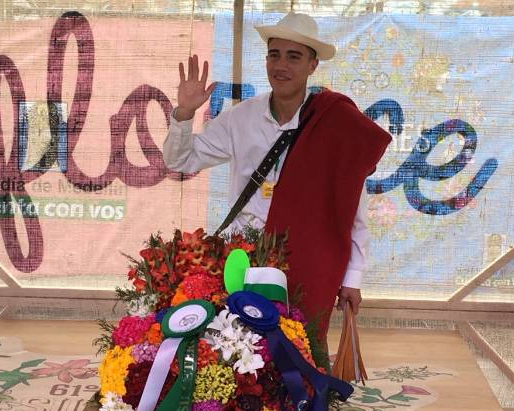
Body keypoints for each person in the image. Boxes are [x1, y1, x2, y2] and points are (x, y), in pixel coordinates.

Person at [163, 12, 391, 342]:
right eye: (274, 55)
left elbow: (352, 206)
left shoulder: (334, 122)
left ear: (313, 65)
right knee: (240, 356)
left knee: (300, 358)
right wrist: (184, 114)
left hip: (306, 261)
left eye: (293, 56)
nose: (280, 65)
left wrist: (353, 276)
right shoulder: (240, 119)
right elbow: (179, 158)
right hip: (244, 260)